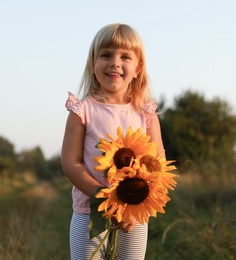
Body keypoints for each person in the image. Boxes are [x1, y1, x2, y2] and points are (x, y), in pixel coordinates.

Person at [61, 23, 165, 260]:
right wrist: (104, 197)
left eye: (125, 57)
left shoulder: (146, 115)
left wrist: (130, 207)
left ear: (138, 68)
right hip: (89, 212)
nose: (115, 62)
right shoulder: (82, 111)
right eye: (106, 55)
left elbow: (157, 165)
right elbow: (71, 163)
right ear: (93, 64)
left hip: (133, 216)